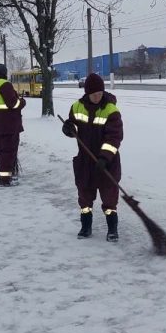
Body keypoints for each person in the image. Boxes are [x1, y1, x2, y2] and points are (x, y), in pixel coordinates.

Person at [62, 73, 123, 241]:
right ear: (87, 93)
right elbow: (72, 125)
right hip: (85, 161)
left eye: (100, 93)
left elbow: (114, 137)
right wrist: (68, 128)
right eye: (94, 93)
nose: (97, 96)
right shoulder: (77, 107)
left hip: (106, 162)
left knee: (109, 199)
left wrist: (104, 157)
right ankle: (85, 227)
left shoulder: (111, 110)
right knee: (85, 199)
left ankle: (112, 230)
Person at [0, 64, 25, 187]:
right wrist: (22, 102)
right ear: (4, 73)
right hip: (7, 125)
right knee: (8, 152)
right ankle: (5, 180)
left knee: (1, 153)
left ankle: (4, 176)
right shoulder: (4, 84)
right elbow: (13, 103)